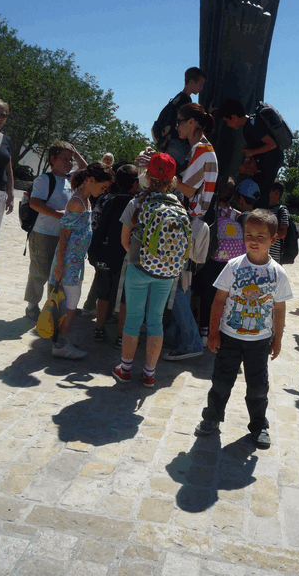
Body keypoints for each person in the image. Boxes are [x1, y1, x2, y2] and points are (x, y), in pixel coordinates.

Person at [194, 209, 293, 448]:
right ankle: (212, 417)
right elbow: (218, 301)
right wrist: (213, 332)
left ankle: (259, 425)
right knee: (221, 382)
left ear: (273, 239)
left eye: (261, 237)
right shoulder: (233, 266)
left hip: (259, 342)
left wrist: (277, 339)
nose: (253, 241)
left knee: (258, 387)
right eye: (249, 235)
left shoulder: (278, 274)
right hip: (229, 337)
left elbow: (279, 310)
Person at [114, 153, 190, 386]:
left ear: (147, 175)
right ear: (173, 179)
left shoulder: (137, 203)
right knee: (156, 320)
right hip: (167, 271)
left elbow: (124, 241)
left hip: (138, 268)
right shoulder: (178, 205)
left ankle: (125, 369)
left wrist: (139, 258)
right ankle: (149, 373)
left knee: (133, 319)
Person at [162, 102, 218, 361]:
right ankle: (178, 336)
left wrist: (161, 172)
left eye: (180, 121)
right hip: (192, 223)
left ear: (192, 123)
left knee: (175, 285)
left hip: (188, 223)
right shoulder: (203, 150)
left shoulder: (202, 151)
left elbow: (187, 189)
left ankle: (190, 341)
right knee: (180, 284)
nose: (177, 127)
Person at [49, 162, 114, 359]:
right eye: (102, 187)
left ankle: (61, 340)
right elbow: (64, 235)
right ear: (91, 180)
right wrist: (60, 265)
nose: (103, 191)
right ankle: (60, 344)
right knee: (70, 304)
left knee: (70, 303)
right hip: (68, 263)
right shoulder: (77, 202)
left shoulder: (84, 200)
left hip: (74, 262)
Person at [24, 141, 87, 320]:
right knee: (40, 271)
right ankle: (32, 305)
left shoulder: (70, 179)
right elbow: (34, 203)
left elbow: (86, 169)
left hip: (63, 235)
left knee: (58, 273)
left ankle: (53, 305)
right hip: (43, 233)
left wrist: (75, 152)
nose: (70, 163)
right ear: (53, 159)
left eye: (71, 160)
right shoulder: (44, 180)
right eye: (65, 159)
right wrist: (59, 215)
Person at [89, 164, 140, 348]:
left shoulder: (110, 200)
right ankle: (121, 337)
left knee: (103, 294)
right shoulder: (137, 204)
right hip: (128, 256)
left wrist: (94, 252)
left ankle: (99, 329)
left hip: (108, 253)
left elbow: (100, 228)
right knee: (125, 298)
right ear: (135, 183)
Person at [197, 177, 243, 347]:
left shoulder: (209, 211)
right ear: (232, 196)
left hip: (211, 258)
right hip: (229, 262)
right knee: (224, 297)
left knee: (206, 295)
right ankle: (219, 330)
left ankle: (204, 330)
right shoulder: (235, 215)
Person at [220, 98, 284, 209]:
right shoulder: (250, 124)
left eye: (227, 121)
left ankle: (261, 217)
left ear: (233, 117)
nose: (228, 125)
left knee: (262, 194)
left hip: (271, 162)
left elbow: (272, 144)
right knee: (259, 192)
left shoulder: (251, 126)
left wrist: (251, 152)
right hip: (268, 162)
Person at [152, 67, 206, 169]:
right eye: (200, 84)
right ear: (191, 82)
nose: (202, 88)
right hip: (177, 144)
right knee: (187, 172)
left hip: (170, 144)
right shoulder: (184, 100)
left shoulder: (178, 98)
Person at [0, 99, 14, 293]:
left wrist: (10, 193)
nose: (0, 118)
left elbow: (9, 168)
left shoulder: (6, 140)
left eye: (4, 115)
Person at [268, 180, 289, 265]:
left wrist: (264, 231)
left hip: (274, 257)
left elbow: (283, 233)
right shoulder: (264, 208)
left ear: (277, 193)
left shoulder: (281, 211)